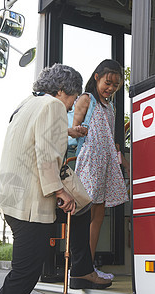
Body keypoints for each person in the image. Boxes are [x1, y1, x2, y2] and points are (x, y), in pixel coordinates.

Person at [0, 63, 112, 294]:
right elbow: (45, 152)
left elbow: (34, 135)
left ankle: (81, 270)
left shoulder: (27, 104)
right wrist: (59, 190)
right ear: (61, 90)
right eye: (74, 97)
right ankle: (81, 270)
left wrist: (67, 132)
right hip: (30, 203)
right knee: (24, 275)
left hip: (12, 198)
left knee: (82, 208)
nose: (72, 104)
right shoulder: (54, 105)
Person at [73, 59, 130, 280]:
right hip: (89, 162)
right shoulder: (86, 99)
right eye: (108, 82)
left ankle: (89, 265)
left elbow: (109, 137)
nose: (110, 88)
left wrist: (120, 158)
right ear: (96, 77)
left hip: (105, 163)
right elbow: (74, 131)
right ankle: (81, 267)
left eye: (115, 85)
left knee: (98, 215)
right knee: (85, 216)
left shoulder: (111, 106)